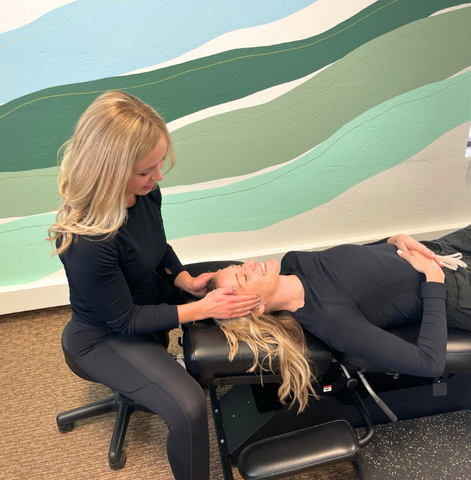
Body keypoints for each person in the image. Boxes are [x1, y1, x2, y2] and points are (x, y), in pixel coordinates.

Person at [47, 90, 259, 480]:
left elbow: (158, 247)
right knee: (189, 407)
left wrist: (183, 278)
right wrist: (199, 308)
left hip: (147, 294)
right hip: (104, 336)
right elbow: (124, 320)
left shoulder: (143, 192)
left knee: (225, 277)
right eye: (146, 171)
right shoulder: (86, 242)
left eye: (160, 165)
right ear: (107, 170)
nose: (158, 177)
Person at [210, 228, 471, 413]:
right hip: (456, 291)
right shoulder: (330, 320)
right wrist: (434, 280)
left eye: (238, 267)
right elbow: (429, 363)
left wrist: (393, 240)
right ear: (258, 308)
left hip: (441, 249)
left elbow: (356, 260)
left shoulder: (294, 260)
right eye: (244, 278)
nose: (249, 265)